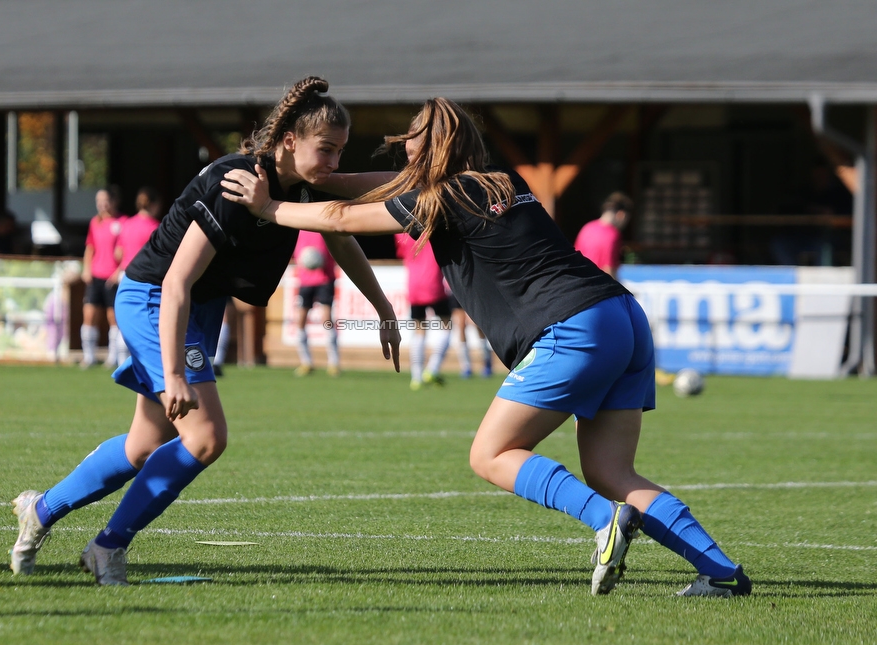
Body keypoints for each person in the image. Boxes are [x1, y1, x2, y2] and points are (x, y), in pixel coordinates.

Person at [220, 97, 752, 598]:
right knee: (613, 473)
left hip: (572, 325)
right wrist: (308, 177)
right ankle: (721, 572)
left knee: (491, 454)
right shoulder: (502, 180)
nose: (406, 154)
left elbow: (340, 216)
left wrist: (268, 208)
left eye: (412, 145)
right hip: (622, 316)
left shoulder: (442, 197)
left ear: (432, 151)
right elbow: (361, 187)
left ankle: (604, 520)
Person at [9, 76, 401, 586]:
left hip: (196, 308)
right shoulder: (236, 182)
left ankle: (40, 510)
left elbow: (342, 233)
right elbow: (174, 282)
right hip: (156, 299)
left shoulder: (299, 185)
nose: (333, 163)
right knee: (206, 436)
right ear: (288, 142)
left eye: (340, 151)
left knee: (143, 447)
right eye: (325, 150)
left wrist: (384, 308)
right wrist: (173, 372)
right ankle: (106, 548)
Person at [113, 187, 163, 364]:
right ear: (154, 205)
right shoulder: (155, 227)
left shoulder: (126, 224)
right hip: (145, 279)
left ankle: (120, 361)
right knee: (146, 322)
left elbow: (118, 253)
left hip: (124, 276)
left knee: (123, 323)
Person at [395, 233, 451, 389]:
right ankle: (432, 369)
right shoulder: (433, 228)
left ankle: (416, 377)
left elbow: (401, 252)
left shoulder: (402, 231)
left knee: (419, 331)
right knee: (446, 327)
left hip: (413, 285)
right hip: (433, 284)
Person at [80, 186, 123, 368]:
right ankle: (88, 356)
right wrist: (86, 269)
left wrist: (119, 270)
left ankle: (113, 356)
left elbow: (126, 251)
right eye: (99, 201)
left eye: (105, 200)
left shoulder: (122, 222)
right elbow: (90, 247)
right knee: (89, 315)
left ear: (113, 201)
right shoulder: (94, 223)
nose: (102, 205)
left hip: (112, 278)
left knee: (113, 318)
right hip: (96, 275)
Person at [291, 230, 340, 377]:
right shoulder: (297, 228)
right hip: (305, 279)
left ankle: (334, 363)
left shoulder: (322, 227)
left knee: (326, 319)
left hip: (325, 278)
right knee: (300, 320)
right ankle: (306, 362)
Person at [573, 192, 632, 279]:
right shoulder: (613, 235)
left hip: (580, 282)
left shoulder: (587, 228)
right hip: (598, 287)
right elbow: (609, 270)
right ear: (621, 215)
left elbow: (575, 259)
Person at [449, 297, 493, 379]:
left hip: (472, 291)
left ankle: (487, 362)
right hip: (457, 291)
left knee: (478, 324)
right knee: (461, 325)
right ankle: (466, 366)